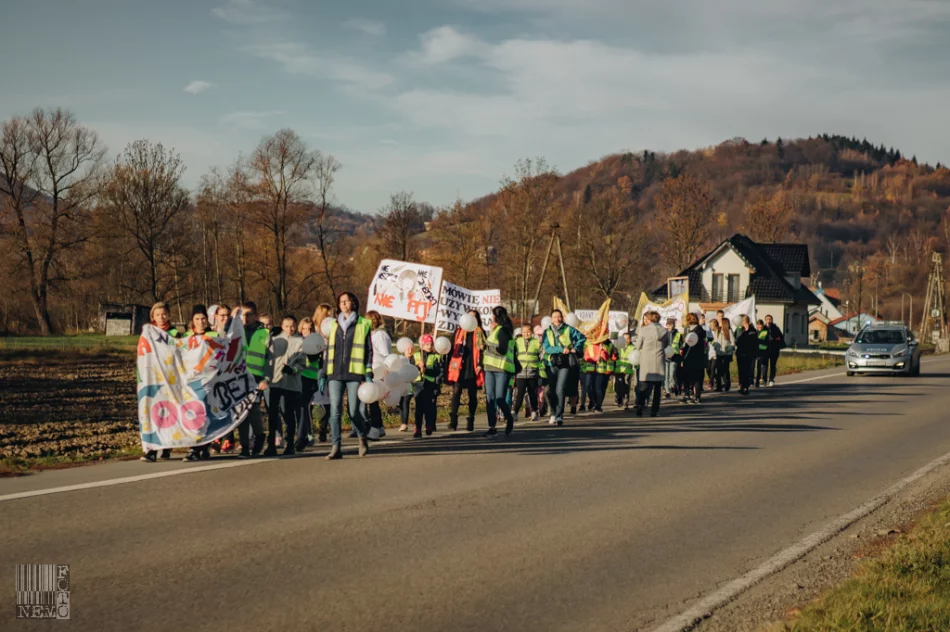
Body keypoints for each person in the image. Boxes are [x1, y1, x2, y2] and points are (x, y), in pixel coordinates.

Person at [325, 292, 373, 459]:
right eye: (341, 301)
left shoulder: (364, 323)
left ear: (353, 302)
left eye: (347, 301)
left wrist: (368, 373)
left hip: (355, 372)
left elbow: (368, 350)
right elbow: (329, 350)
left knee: (354, 411)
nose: (344, 304)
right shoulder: (333, 325)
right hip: (335, 372)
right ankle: (336, 446)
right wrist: (324, 373)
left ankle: (362, 437)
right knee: (335, 411)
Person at [140, 302, 180, 463]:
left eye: (164, 314)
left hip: (169, 378)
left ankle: (167, 446)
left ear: (169, 314)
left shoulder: (175, 332)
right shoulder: (147, 332)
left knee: (168, 412)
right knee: (151, 413)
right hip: (152, 378)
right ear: (152, 317)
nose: (161, 317)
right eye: (157, 315)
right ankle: (151, 449)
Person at [263, 315, 306, 456]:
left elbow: (303, 364)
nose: (289, 329)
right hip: (275, 381)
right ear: (281, 326)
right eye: (286, 326)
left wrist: (293, 370)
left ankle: (290, 444)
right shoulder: (275, 339)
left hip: (291, 384)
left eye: (292, 326)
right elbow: (268, 358)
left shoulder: (300, 341)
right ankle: (271, 444)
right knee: (273, 414)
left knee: (288, 413)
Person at [183, 305, 217, 462]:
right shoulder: (186, 336)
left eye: (203, 318)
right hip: (190, 381)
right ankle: (196, 447)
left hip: (209, 380)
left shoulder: (214, 335)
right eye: (197, 319)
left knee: (204, 413)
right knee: (193, 413)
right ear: (192, 320)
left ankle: (201, 447)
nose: (200, 321)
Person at [542, 309, 586, 426]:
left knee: (560, 389)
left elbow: (582, 337)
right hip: (551, 363)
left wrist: (574, 349)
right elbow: (547, 348)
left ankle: (559, 415)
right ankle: (553, 412)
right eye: (555, 317)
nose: (557, 319)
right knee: (551, 391)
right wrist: (561, 349)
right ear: (551, 319)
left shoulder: (569, 329)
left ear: (562, 318)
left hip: (565, 363)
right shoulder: (547, 332)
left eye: (559, 317)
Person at [238, 301, 269, 458]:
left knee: (253, 410)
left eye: (248, 314)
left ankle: (259, 435)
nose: (245, 318)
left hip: (257, 378)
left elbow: (272, 359)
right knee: (242, 413)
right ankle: (244, 446)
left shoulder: (264, 333)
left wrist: (266, 379)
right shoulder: (236, 331)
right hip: (239, 377)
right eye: (242, 315)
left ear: (256, 316)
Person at [445, 310, 486, 432]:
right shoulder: (458, 332)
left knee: (472, 394)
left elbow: (484, 350)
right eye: (469, 316)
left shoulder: (480, 333)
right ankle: (453, 420)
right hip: (459, 366)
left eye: (474, 317)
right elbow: (450, 348)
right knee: (456, 392)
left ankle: (471, 419)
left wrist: (481, 363)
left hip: (473, 366)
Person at [482, 306, 515, 437]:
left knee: (499, 398)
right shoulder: (494, 330)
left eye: (492, 315)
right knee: (489, 398)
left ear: (496, 316)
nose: (491, 318)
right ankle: (492, 426)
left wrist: (487, 346)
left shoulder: (503, 331)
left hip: (501, 369)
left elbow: (502, 349)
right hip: (489, 368)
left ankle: (509, 418)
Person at [634, 311, 669, 417]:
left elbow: (638, 346)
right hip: (658, 362)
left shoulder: (643, 330)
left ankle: (640, 406)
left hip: (646, 362)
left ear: (649, 319)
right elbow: (666, 344)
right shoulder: (664, 331)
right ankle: (654, 411)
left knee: (643, 387)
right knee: (657, 389)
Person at [295, 317, 320, 452]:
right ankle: (307, 435)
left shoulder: (315, 342)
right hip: (298, 377)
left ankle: (301, 437)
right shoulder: (297, 341)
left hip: (310, 379)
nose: (307, 331)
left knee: (304, 407)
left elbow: (314, 358)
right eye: (304, 329)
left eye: (309, 329)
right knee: (300, 408)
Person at [366, 311, 391, 441]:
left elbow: (385, 354)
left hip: (379, 369)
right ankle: (379, 427)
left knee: (372, 399)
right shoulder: (372, 334)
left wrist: (385, 370)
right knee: (372, 400)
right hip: (373, 368)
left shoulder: (380, 335)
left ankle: (375, 427)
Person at [412, 334, 441, 437]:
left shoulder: (435, 356)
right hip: (418, 384)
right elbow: (410, 369)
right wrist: (417, 366)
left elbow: (437, 371)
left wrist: (426, 370)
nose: (429, 346)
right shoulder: (415, 355)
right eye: (427, 344)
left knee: (428, 406)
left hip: (429, 384)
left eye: (431, 344)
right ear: (422, 345)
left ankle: (429, 425)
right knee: (419, 408)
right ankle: (418, 428)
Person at [512, 324, 541, 422]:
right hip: (521, 372)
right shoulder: (517, 342)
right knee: (520, 393)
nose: (526, 334)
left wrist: (540, 367)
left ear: (532, 332)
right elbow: (514, 354)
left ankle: (534, 412)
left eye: (528, 332)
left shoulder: (536, 342)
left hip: (532, 372)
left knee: (532, 393)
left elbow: (541, 355)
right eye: (524, 332)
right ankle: (515, 412)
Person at [679, 313, 708, 404]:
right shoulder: (696, 330)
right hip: (695, 357)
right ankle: (692, 395)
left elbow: (689, 345)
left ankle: (693, 395)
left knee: (692, 377)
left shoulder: (695, 331)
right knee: (692, 377)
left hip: (692, 357)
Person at [735, 316, 758, 395]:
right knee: (741, 371)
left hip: (749, 353)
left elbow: (753, 342)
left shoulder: (752, 331)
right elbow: (736, 341)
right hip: (740, 353)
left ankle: (746, 387)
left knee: (747, 371)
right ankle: (741, 385)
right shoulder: (739, 330)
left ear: (745, 321)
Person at [398, 341, 416, 432]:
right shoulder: (400, 360)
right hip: (401, 385)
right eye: (407, 349)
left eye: (411, 348)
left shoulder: (415, 359)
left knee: (405, 402)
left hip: (411, 385)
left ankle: (404, 424)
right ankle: (403, 422)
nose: (410, 350)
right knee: (401, 403)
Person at [714, 317, 734, 392]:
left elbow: (733, 342)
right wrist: (716, 347)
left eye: (721, 322)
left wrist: (728, 349)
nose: (719, 323)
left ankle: (727, 384)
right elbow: (715, 341)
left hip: (726, 354)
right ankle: (719, 386)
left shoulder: (729, 331)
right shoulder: (718, 331)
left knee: (725, 370)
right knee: (718, 370)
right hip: (719, 353)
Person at [614, 332, 634, 409]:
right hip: (619, 370)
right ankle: (619, 398)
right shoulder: (618, 347)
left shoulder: (632, 348)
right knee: (618, 385)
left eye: (628, 338)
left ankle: (626, 401)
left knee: (626, 385)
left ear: (630, 339)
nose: (626, 340)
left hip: (627, 370)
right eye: (624, 339)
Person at [764, 314, 785, 386]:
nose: (769, 320)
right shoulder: (763, 328)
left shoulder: (776, 328)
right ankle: (764, 379)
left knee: (773, 365)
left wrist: (775, 340)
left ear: (772, 320)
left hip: (774, 350)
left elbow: (780, 338)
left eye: (770, 319)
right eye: (767, 319)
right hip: (765, 350)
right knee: (764, 365)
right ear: (765, 320)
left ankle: (771, 379)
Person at [664, 318, 682, 398]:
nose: (669, 326)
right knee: (666, 375)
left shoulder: (678, 334)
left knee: (672, 374)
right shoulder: (664, 333)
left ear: (673, 325)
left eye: (670, 325)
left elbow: (680, 345)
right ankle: (667, 391)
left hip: (674, 356)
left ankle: (673, 387)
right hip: (666, 356)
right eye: (668, 324)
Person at [754, 319, 769, 387]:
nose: (759, 327)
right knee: (758, 366)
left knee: (764, 366)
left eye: (761, 326)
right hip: (757, 351)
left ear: (763, 326)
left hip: (764, 351)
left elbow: (764, 340)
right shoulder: (755, 332)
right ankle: (757, 380)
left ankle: (764, 379)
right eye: (758, 326)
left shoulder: (765, 332)